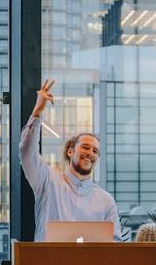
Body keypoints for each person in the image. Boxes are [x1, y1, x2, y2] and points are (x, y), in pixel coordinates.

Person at [19, 79, 119, 241]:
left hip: (89, 259)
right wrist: (37, 112)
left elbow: (116, 241)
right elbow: (27, 154)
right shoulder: (48, 181)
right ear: (70, 151)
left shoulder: (105, 200)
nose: (90, 153)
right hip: (48, 257)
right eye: (85, 147)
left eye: (95, 151)